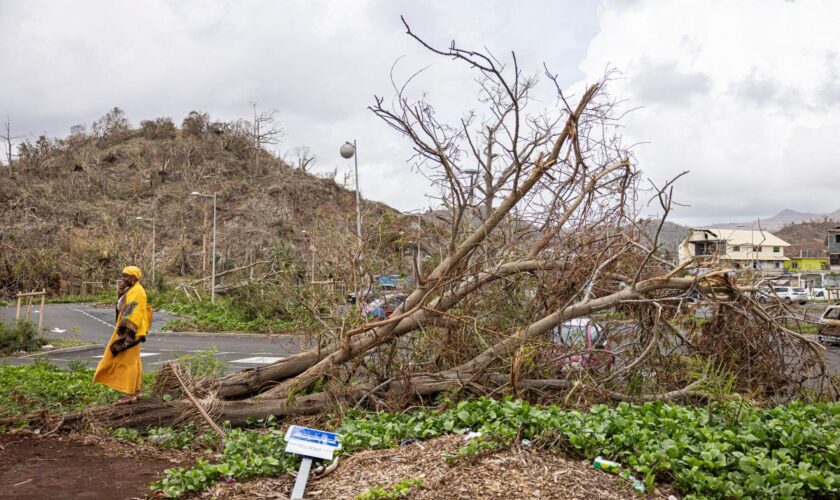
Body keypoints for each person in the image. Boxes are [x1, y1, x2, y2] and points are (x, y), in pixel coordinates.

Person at [93, 266, 153, 404]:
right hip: (132, 331)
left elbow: (134, 314)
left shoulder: (137, 291)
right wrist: (120, 294)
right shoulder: (132, 290)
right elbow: (123, 307)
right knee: (134, 361)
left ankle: (129, 393)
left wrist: (127, 336)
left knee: (126, 361)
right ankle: (136, 391)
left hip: (130, 332)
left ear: (135, 277)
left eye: (127, 276)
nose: (124, 278)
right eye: (123, 275)